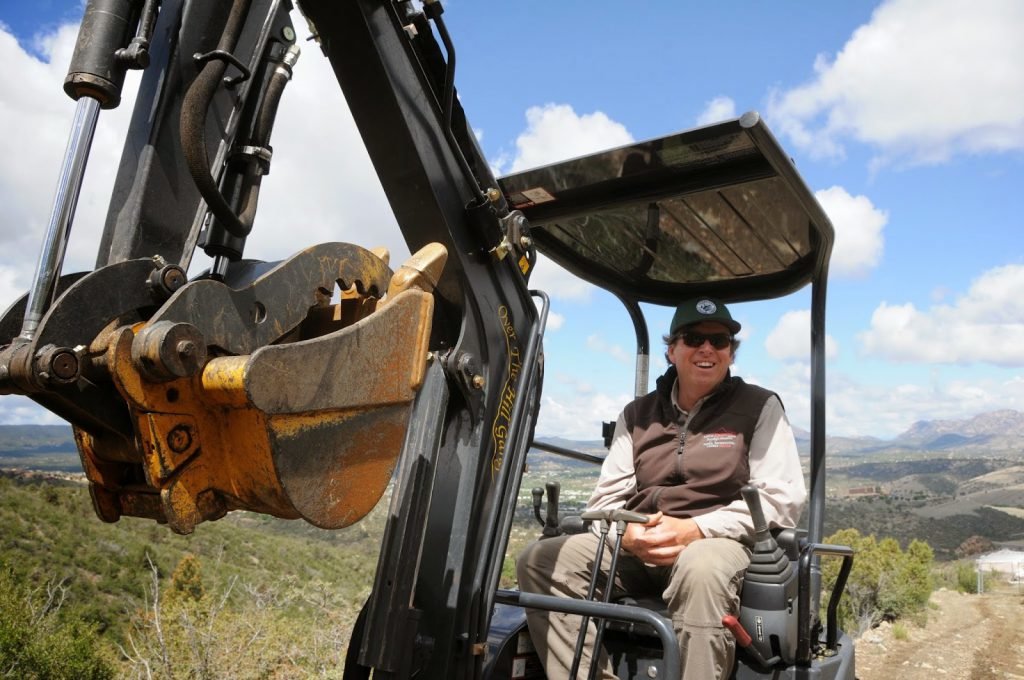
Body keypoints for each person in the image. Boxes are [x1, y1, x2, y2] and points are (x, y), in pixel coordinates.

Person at [517, 297, 807, 680]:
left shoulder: (758, 407)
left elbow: (781, 498)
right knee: (540, 561)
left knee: (701, 571)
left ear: (730, 354)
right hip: (638, 542)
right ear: (672, 350)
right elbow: (605, 500)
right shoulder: (637, 415)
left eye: (719, 340)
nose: (706, 348)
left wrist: (696, 529)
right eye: (693, 338)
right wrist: (630, 534)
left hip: (716, 542)